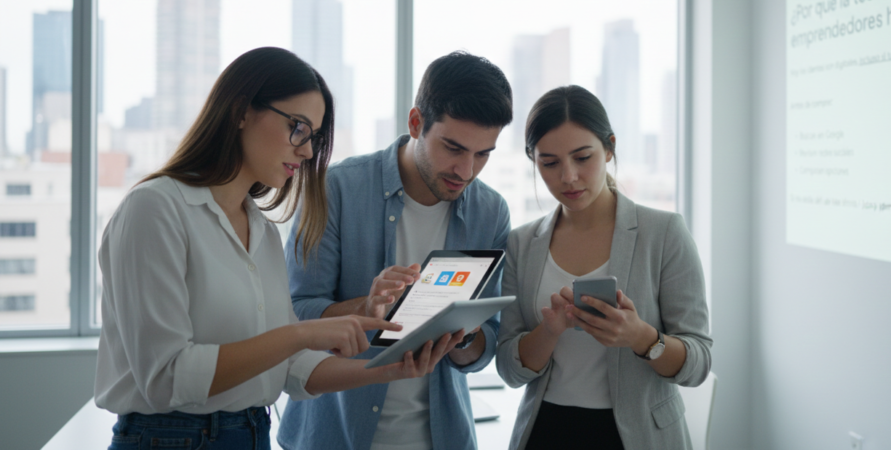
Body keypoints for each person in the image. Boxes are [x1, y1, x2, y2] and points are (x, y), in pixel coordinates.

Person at [95, 47, 458, 450]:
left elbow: (288, 367)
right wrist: (300, 332)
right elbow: (166, 377)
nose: (306, 150)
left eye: (314, 137)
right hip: (170, 439)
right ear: (241, 110)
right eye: (298, 127)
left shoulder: (262, 230)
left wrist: (387, 371)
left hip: (252, 433)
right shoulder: (155, 209)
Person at [278, 51, 514, 450]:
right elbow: (295, 313)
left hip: (440, 437)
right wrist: (366, 308)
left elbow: (482, 348)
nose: (466, 171)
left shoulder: (490, 212)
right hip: (335, 434)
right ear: (416, 123)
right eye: (453, 148)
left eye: (483, 154)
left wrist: (463, 334)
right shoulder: (337, 189)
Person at [496, 85, 713, 450]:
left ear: (609, 147)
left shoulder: (664, 233)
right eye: (549, 163)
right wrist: (548, 332)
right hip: (546, 431)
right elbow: (509, 368)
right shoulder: (521, 244)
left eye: (583, 157)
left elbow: (699, 363)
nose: (568, 177)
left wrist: (641, 338)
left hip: (638, 435)